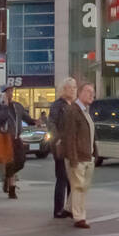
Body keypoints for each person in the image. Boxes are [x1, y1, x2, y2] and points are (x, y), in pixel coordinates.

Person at [59, 82, 99, 228]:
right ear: (80, 93)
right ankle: (79, 217)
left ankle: (69, 208)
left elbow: (90, 134)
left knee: (83, 186)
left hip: (88, 156)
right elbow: (70, 137)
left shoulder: (85, 111)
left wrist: (94, 152)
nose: (91, 95)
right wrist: (73, 158)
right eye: (88, 91)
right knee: (78, 187)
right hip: (78, 157)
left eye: (93, 92)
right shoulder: (73, 111)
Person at [48, 78, 77, 218]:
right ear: (64, 89)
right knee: (62, 178)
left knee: (73, 178)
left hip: (73, 147)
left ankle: (70, 207)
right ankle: (58, 209)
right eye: (70, 87)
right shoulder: (57, 105)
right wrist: (58, 139)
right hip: (62, 146)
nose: (73, 89)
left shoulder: (75, 105)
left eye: (74, 87)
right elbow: (51, 123)